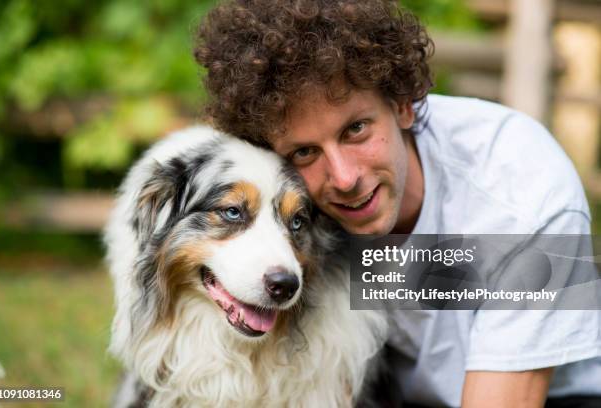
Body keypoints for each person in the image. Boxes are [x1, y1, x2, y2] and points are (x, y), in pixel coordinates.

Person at [194, 0, 601, 406]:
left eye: (356, 129)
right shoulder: (292, 206)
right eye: (304, 152)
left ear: (404, 103)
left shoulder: (522, 191)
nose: (345, 178)